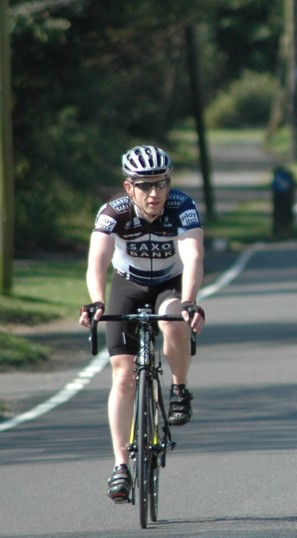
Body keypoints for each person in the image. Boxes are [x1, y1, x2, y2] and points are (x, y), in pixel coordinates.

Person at [79, 145, 206, 503]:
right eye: (145, 185)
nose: (154, 194)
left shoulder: (183, 208)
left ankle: (179, 388)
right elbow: (97, 262)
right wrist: (97, 301)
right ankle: (121, 465)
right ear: (128, 186)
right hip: (128, 286)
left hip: (169, 284)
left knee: (174, 323)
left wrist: (191, 300)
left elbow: (194, 256)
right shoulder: (113, 213)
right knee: (123, 375)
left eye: (161, 184)